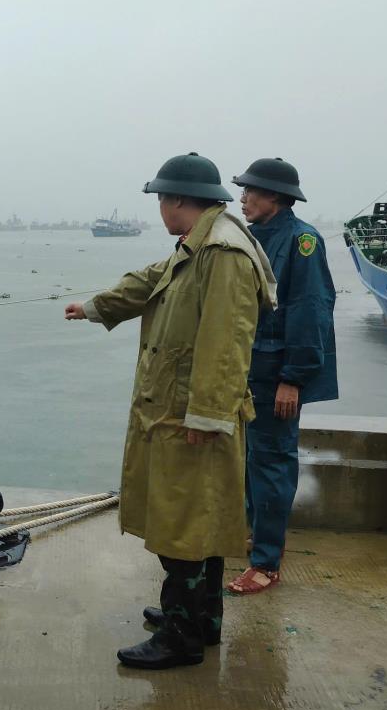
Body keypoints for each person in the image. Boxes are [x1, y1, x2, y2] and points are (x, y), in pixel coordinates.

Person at [65, 153, 276, 669]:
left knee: (181, 527)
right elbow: (151, 280)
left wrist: (207, 415)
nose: (160, 209)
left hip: (190, 417)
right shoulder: (198, 244)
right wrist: (96, 307)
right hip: (179, 411)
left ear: (177, 200)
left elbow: (226, 342)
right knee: (197, 520)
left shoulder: (222, 253)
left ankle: (180, 636)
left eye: (161, 199)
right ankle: (201, 619)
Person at [226, 158, 337, 595]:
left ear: (273, 195)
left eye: (250, 191)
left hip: (277, 376)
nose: (243, 198)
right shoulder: (254, 238)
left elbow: (311, 310)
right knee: (254, 461)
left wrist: (294, 378)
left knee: (272, 464)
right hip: (250, 371)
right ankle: (258, 536)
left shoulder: (302, 241)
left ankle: (266, 563)